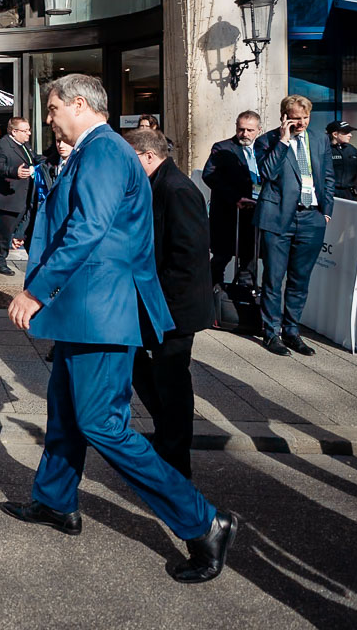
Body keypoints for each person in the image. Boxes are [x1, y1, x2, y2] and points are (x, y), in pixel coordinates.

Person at [0, 73, 236, 583]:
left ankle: (204, 521)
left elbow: (89, 226)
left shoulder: (104, 151)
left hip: (99, 314)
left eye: (52, 107)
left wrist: (35, 291)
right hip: (86, 313)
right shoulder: (96, 150)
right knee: (65, 412)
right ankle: (56, 501)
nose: (48, 117)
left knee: (101, 424)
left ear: (79, 104)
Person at [127, 127, 212, 479]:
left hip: (173, 308)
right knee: (142, 368)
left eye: (132, 160)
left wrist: (160, 304)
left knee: (173, 382)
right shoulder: (155, 183)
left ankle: (176, 458)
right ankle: (166, 438)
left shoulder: (177, 190)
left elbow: (187, 257)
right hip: (157, 304)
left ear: (148, 156)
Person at [253, 94, 336, 357]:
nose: (300, 123)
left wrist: (326, 211)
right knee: (274, 278)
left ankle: (292, 331)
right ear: (284, 117)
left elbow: (328, 176)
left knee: (300, 280)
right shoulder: (267, 140)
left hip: (311, 217)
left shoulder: (320, 138)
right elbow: (267, 173)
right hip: (278, 217)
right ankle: (271, 332)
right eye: (295, 118)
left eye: (305, 118)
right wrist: (284, 141)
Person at [202, 111, 262, 290]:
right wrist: (234, 197)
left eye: (250, 130)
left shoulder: (263, 149)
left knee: (249, 258)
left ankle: (244, 297)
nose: (245, 134)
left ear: (258, 130)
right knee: (221, 257)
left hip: (255, 214)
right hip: (229, 213)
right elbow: (209, 176)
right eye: (241, 129)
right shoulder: (222, 148)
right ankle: (210, 293)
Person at [0, 117, 38, 276]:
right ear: (14, 131)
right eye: (25, 131)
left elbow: (34, 158)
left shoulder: (24, 146)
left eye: (29, 130)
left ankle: (35, 261)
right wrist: (13, 172)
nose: (29, 133)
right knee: (5, 231)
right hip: (9, 197)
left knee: (28, 230)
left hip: (26, 195)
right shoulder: (1, 146)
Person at [327, 119, 357, 201]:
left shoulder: (353, 150)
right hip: (329, 192)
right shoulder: (323, 150)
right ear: (335, 134)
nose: (350, 135)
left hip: (348, 192)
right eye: (346, 132)